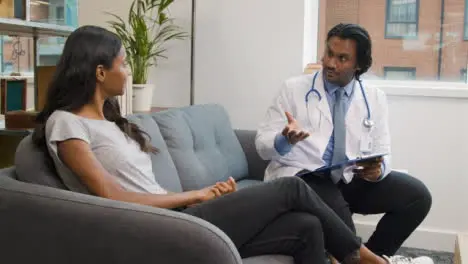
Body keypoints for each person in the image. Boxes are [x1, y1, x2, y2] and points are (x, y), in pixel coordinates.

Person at [28, 25, 428, 264]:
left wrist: (195, 197)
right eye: (122, 63)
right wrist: (195, 194)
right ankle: (363, 259)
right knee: (292, 187)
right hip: (161, 227)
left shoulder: (114, 121)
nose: (127, 70)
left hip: (181, 212)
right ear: (100, 72)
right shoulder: (66, 125)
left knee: (306, 226)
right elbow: (109, 195)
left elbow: (141, 187)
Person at [255, 23, 433, 263]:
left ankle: (372, 256)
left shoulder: (374, 98)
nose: (330, 63)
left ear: (359, 64)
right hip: (305, 179)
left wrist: (377, 170)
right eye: (329, 53)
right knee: (344, 227)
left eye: (342, 58)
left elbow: (384, 150)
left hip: (350, 178)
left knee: (417, 196)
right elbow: (262, 145)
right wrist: (283, 140)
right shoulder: (293, 89)